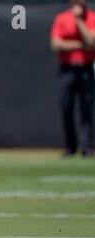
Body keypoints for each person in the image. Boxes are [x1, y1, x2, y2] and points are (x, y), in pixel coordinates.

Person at [51, 0, 95, 157]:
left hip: (86, 69)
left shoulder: (91, 17)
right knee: (66, 108)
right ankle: (70, 147)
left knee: (86, 109)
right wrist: (80, 45)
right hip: (67, 70)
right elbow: (56, 44)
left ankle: (86, 147)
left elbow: (92, 41)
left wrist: (79, 20)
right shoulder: (62, 18)